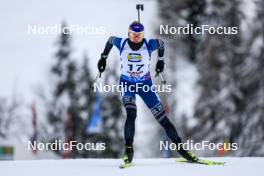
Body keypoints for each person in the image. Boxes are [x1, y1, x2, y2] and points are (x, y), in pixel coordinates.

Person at [97, 21, 198, 165]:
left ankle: (182, 150)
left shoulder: (149, 45)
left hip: (145, 86)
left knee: (163, 119)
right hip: (127, 85)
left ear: (143, 35)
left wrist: (161, 61)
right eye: (133, 35)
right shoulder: (123, 43)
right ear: (128, 34)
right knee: (131, 114)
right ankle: (128, 150)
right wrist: (103, 57)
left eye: (139, 35)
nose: (136, 38)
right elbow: (110, 40)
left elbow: (161, 44)